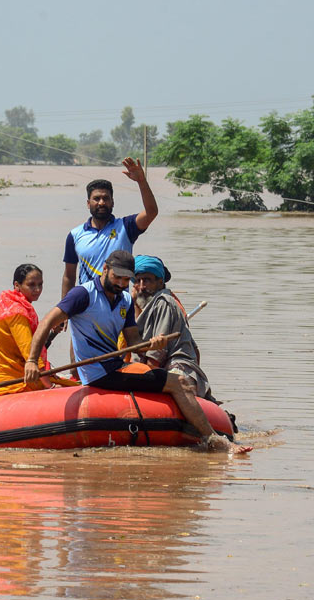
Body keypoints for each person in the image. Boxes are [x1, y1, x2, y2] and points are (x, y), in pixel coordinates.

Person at [25, 251, 249, 453]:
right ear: (105, 269)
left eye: (125, 279)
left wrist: (152, 344)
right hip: (98, 372)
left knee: (168, 380)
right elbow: (47, 322)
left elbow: (135, 341)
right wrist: (32, 361)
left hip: (117, 366)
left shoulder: (124, 300)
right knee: (178, 382)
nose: (122, 283)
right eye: (117, 277)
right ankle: (213, 440)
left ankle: (206, 433)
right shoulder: (83, 294)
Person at [61, 157, 159, 299]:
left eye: (106, 198)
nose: (101, 202)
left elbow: (151, 212)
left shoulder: (125, 227)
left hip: (118, 304)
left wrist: (141, 181)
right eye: (96, 199)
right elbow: (69, 277)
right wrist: (64, 311)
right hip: (85, 305)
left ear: (112, 202)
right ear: (88, 203)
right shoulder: (75, 235)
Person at [130, 255, 216, 402]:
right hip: (160, 369)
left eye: (147, 280)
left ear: (160, 282)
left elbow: (156, 355)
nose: (142, 286)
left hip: (178, 369)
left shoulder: (165, 303)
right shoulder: (144, 307)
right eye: (138, 281)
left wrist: (142, 379)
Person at [0, 263, 76, 396]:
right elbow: (30, 353)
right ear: (17, 285)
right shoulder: (16, 312)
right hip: (12, 384)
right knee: (71, 388)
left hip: (12, 378)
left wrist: (51, 332)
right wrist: (50, 387)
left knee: (72, 385)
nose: (37, 289)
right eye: (31, 285)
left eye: (40, 284)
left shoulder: (8, 306)